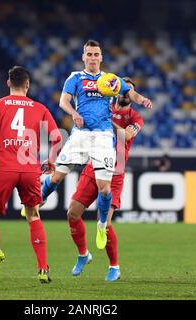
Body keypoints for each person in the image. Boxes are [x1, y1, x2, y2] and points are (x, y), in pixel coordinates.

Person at [35, 40, 152, 250]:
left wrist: (142, 99)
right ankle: (38, 199)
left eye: (96, 54)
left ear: (101, 57)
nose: (92, 58)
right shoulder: (75, 77)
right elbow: (63, 101)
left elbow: (130, 92)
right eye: (89, 54)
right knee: (57, 175)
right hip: (80, 133)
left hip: (103, 137)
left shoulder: (110, 80)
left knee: (104, 189)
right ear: (83, 57)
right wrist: (74, 114)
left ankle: (100, 225)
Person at [0, 66, 61, 283]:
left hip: (4, 167)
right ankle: (43, 269)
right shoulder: (40, 108)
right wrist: (51, 160)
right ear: (27, 85)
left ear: (8, 83)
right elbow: (57, 138)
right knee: (33, 215)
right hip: (30, 170)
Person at [67, 77, 144, 281]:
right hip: (94, 167)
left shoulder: (136, 119)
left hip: (114, 173)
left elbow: (126, 136)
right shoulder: (105, 106)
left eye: (129, 92)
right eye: (123, 90)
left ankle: (114, 266)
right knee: (72, 213)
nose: (125, 95)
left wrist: (104, 121)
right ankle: (83, 254)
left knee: (105, 223)